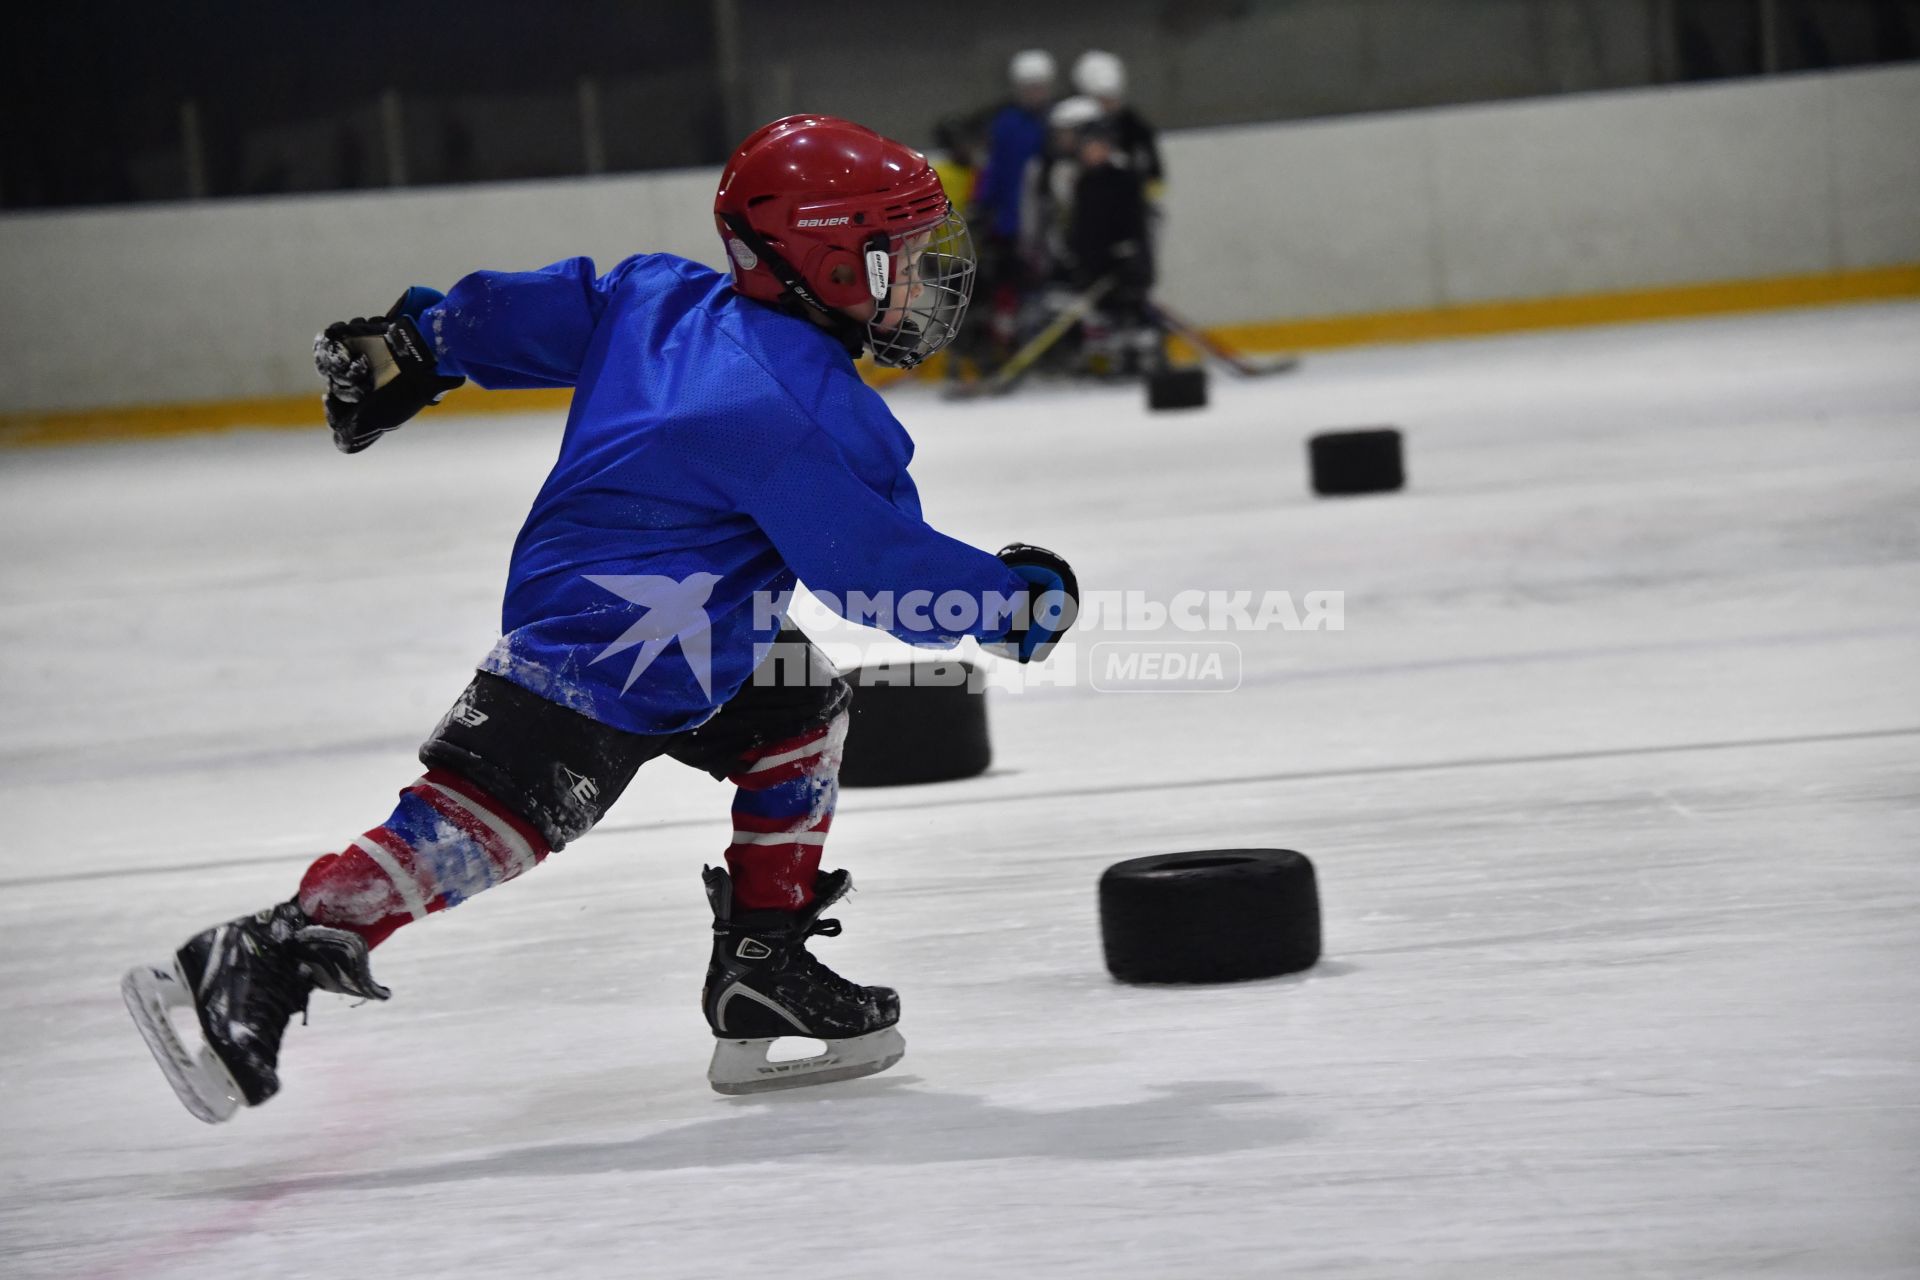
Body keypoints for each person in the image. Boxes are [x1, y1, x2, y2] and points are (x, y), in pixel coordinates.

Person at [121, 114, 1080, 1122]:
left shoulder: (657, 295)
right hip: (608, 650)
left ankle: (764, 960)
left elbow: (517, 316)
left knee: (796, 711)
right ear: (834, 263)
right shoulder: (807, 412)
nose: (926, 280)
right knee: (485, 822)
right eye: (902, 256)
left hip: (667, 624)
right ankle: (265, 951)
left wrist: (419, 342)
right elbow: (881, 573)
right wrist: (1007, 604)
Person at [950, 49, 1057, 380]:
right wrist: (983, 206)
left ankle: (1044, 348)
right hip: (1011, 223)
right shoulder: (1007, 124)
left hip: (1047, 223)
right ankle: (1006, 349)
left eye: (1039, 86)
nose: (1034, 94)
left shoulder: (1059, 121)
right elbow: (994, 171)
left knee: (1045, 288)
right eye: (1029, 87)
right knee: (1007, 288)